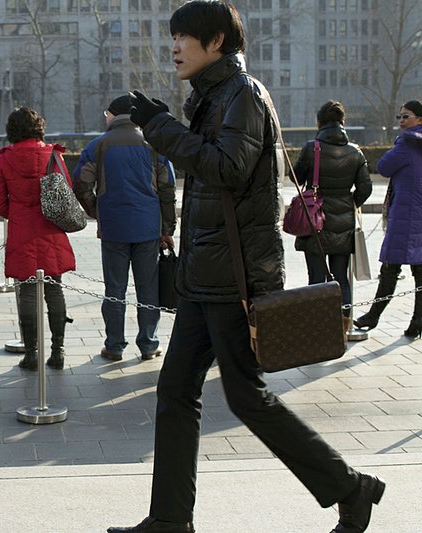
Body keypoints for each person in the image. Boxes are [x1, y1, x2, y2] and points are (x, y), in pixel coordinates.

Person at [107, 3, 384, 533]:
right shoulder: (215, 97)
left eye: (184, 36)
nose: (174, 46)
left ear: (216, 41)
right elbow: (211, 162)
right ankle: (170, 519)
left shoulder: (244, 95)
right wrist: (164, 117)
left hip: (233, 277)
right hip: (204, 276)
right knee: (176, 392)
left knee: (245, 396)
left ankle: (351, 487)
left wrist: (157, 124)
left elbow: (227, 168)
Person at [73, 94, 176, 362]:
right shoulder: (154, 145)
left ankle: (115, 345)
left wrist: (96, 210)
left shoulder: (98, 146)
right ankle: (149, 344)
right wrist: (167, 228)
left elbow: (81, 183)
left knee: (115, 289)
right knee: (148, 289)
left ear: (112, 115)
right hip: (148, 228)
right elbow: (167, 189)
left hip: (114, 229)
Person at [0, 107, 76, 370]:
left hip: (22, 231)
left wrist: (17, 213)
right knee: (54, 287)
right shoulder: (53, 155)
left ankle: (31, 353)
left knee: (27, 290)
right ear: (39, 127)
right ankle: (58, 351)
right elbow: (66, 192)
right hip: (51, 228)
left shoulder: (4, 159)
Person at [292, 101, 372, 330]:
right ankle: (343, 326)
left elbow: (296, 178)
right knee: (340, 277)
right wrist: (349, 203)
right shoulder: (355, 152)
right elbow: (365, 188)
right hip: (342, 223)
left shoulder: (311, 148)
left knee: (316, 277)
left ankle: (317, 327)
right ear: (342, 123)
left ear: (319, 122)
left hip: (314, 222)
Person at [354, 100, 422, 338]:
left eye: (407, 117)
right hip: (418, 214)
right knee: (420, 271)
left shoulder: (406, 144)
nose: (402, 121)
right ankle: (417, 321)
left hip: (405, 215)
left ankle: (372, 316)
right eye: (400, 117)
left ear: (419, 119)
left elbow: (383, 167)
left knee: (391, 267)